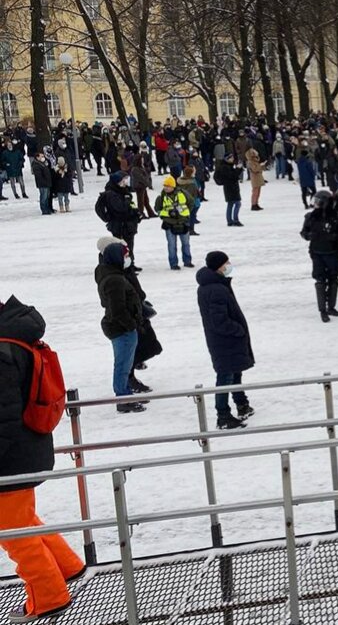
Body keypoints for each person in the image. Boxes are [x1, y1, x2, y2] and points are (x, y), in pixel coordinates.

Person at [0, 296, 86, 623]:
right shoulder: (15, 339)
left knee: (12, 532)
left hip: (11, 457)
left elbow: (3, 417)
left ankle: (48, 597)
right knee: (20, 520)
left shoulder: (3, 352)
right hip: (28, 448)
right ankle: (66, 566)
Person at [195, 251, 255, 430]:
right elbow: (219, 320)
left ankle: (241, 403)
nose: (229, 265)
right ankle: (223, 415)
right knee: (225, 376)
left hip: (225, 340)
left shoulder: (214, 285)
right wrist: (238, 330)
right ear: (218, 266)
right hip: (225, 340)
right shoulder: (216, 289)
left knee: (235, 371)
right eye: (226, 263)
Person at [95, 241, 144, 413]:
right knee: (122, 365)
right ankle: (123, 398)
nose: (128, 259)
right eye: (125, 256)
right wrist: (131, 325)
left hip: (120, 327)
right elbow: (117, 309)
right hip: (121, 329)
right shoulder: (114, 280)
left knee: (125, 364)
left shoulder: (111, 274)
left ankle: (126, 393)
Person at [301, 190, 338, 322]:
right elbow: (304, 232)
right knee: (320, 281)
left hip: (333, 252)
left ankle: (331, 307)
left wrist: (336, 237)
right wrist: (309, 236)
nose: (316, 204)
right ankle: (322, 310)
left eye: (318, 202)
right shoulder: (311, 217)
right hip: (317, 252)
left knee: (333, 279)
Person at [153, 175, 194, 271]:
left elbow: (191, 203)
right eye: (164, 186)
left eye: (168, 186)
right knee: (172, 245)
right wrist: (168, 214)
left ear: (173, 186)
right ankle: (173, 263)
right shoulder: (161, 197)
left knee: (186, 243)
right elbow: (158, 210)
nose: (165, 188)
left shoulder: (183, 193)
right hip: (169, 224)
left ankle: (187, 261)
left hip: (183, 222)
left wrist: (185, 214)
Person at [213, 153, 242, 226]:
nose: (233, 159)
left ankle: (230, 221)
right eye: (231, 158)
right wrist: (238, 169)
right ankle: (235, 220)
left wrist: (238, 169)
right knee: (237, 203)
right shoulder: (225, 167)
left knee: (230, 204)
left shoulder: (228, 166)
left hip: (230, 188)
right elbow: (232, 176)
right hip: (231, 188)